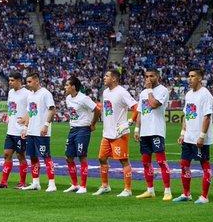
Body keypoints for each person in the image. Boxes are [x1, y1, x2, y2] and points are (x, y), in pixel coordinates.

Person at [173, 69, 213, 204]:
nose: (189, 79)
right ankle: (186, 194)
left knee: (205, 165)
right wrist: (182, 133)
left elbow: (207, 117)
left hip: (200, 138)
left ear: (200, 78)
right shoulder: (189, 94)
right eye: (189, 76)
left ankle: (204, 196)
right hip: (188, 137)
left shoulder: (205, 94)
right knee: (184, 164)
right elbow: (186, 115)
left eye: (193, 76)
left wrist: (202, 136)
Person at [93, 69, 137, 197]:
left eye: (107, 76)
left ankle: (128, 189)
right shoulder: (106, 92)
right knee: (101, 158)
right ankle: (105, 186)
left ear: (114, 79)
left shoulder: (122, 92)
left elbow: (136, 107)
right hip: (107, 133)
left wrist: (129, 121)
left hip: (119, 133)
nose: (104, 78)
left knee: (123, 160)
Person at [134, 69, 172, 200]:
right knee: (145, 162)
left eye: (151, 76)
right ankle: (150, 190)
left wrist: (150, 90)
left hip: (156, 130)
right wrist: (137, 129)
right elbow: (140, 112)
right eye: (146, 76)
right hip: (145, 132)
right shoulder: (143, 92)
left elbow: (154, 104)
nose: (148, 78)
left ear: (158, 77)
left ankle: (167, 191)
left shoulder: (163, 90)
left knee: (161, 161)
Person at [0, 71, 30, 189]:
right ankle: (3, 182)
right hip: (11, 130)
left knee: (21, 156)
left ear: (19, 81)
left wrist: (25, 127)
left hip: (21, 131)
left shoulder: (27, 94)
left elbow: (30, 112)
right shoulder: (10, 93)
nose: (10, 82)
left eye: (12, 80)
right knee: (6, 154)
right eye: (9, 80)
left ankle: (22, 182)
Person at [21, 73, 57, 192]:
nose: (27, 84)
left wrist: (46, 125)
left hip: (41, 131)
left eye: (29, 81)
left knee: (46, 156)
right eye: (27, 82)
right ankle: (35, 182)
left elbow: (52, 109)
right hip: (31, 131)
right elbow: (29, 113)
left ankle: (52, 183)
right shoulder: (30, 95)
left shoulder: (45, 93)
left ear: (36, 81)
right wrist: (25, 128)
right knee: (33, 157)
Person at [63, 76, 100, 194]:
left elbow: (97, 110)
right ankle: (75, 184)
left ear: (73, 87)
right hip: (72, 129)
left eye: (67, 85)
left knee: (82, 156)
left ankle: (83, 186)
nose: (65, 87)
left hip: (83, 129)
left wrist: (93, 123)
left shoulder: (84, 98)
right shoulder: (68, 98)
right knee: (68, 157)